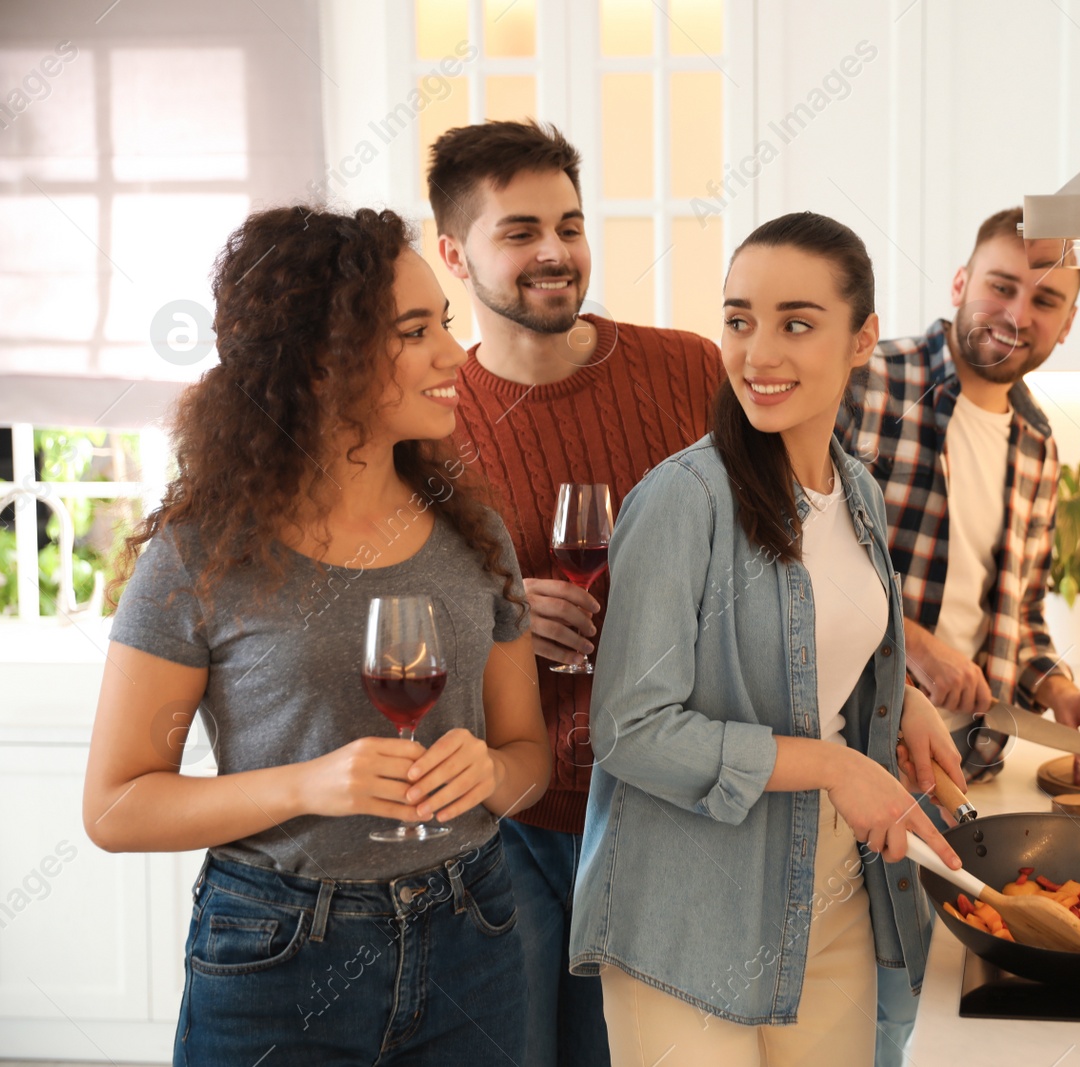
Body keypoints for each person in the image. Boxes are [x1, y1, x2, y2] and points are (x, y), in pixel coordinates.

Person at [82, 206, 551, 1065]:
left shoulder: (473, 530)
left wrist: (492, 772)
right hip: (276, 952)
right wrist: (312, 784)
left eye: (443, 323)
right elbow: (116, 806)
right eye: (416, 331)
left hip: (472, 932)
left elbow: (527, 756)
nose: (454, 353)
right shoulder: (203, 553)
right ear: (319, 360)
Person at [569, 212, 967, 1066]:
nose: (758, 353)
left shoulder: (853, 487)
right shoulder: (684, 499)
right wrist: (833, 763)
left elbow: (822, 646)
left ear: (862, 340)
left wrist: (904, 704)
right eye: (740, 319)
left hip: (830, 883)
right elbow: (631, 731)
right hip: (691, 906)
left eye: (797, 323)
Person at [425, 119, 725, 1066]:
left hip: (660, 812)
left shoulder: (688, 369)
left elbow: (771, 549)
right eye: (518, 232)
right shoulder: (429, 423)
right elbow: (388, 621)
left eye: (570, 224)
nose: (555, 252)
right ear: (452, 253)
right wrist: (495, 629)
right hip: (504, 821)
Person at [840, 206, 1080, 1065]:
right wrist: (916, 644)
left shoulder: (1039, 441)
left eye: (1045, 299)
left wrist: (1059, 690)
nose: (1017, 314)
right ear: (963, 283)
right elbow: (796, 550)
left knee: (929, 1017)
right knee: (881, 1012)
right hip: (864, 764)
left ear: (1068, 320)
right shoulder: (874, 381)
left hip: (970, 779)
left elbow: (1021, 621)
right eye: (1002, 285)